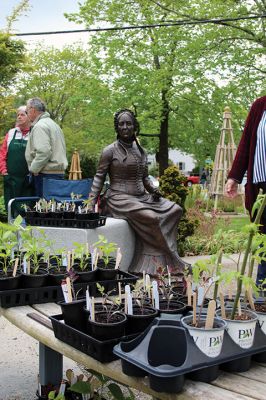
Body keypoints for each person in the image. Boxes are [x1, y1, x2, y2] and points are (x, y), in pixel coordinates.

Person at [89, 109, 190, 274]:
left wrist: (153, 190)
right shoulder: (109, 151)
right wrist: (90, 203)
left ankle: (159, 259)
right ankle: (171, 259)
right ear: (116, 127)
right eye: (121, 124)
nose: (125, 127)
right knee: (152, 217)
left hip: (141, 197)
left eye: (129, 123)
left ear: (134, 126)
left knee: (175, 210)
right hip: (119, 198)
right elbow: (98, 178)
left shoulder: (140, 150)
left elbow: (144, 178)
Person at [225, 95, 266, 285]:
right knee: (264, 237)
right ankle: (262, 291)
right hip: (261, 186)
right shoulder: (260, 105)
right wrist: (234, 176)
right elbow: (246, 141)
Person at [25, 97, 68, 197]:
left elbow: (44, 152)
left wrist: (34, 169)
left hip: (45, 175)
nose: (27, 114)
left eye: (27, 111)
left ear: (33, 110)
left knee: (45, 209)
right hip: (57, 173)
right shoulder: (54, 125)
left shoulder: (40, 126)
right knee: (55, 208)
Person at [0, 106, 34, 213]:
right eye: (18, 115)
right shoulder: (11, 133)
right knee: (11, 210)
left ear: (29, 116)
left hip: (28, 180)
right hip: (11, 179)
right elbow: (2, 154)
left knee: (27, 210)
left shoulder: (35, 133)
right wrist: (4, 172)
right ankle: (13, 229)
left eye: (22, 115)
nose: (19, 117)